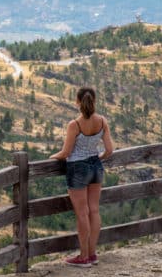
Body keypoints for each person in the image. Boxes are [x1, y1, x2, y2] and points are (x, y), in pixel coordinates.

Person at [49, 87, 114, 267]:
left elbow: (66, 152)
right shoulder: (102, 121)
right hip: (96, 166)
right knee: (94, 210)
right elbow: (109, 150)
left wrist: (52, 157)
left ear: (77, 101)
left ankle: (83, 256)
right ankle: (92, 254)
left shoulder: (74, 125)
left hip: (77, 168)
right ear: (94, 100)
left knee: (82, 213)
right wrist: (96, 159)